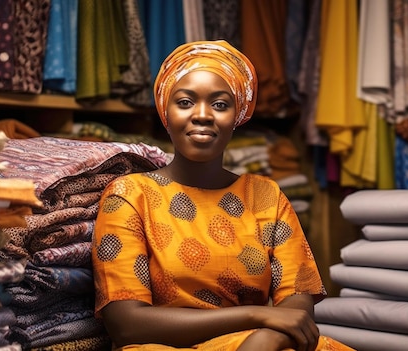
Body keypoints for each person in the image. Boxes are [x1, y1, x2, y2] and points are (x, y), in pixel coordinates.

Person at [91, 40, 354, 351]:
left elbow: (296, 306)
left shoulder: (265, 196)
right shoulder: (129, 196)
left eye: (220, 104)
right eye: (185, 102)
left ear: (238, 115)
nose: (202, 115)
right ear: (165, 111)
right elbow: (126, 325)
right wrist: (260, 317)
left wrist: (267, 337)